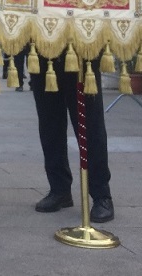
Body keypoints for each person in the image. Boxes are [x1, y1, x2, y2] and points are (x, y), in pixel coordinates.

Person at [30, 52, 114, 223]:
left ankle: (101, 195)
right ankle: (59, 188)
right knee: (49, 124)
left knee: (90, 126)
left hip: (81, 54)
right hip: (43, 51)